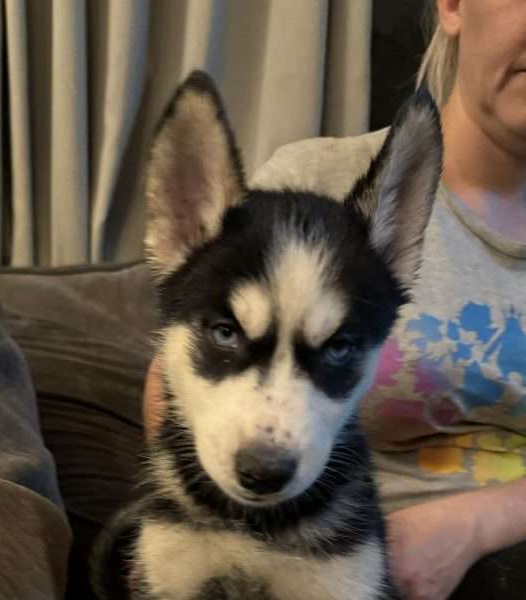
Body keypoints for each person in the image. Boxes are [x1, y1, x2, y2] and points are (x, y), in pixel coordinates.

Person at [141, 1, 526, 599]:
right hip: (325, 539)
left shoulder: (380, 238)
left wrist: (474, 524)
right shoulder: (314, 181)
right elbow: (175, 375)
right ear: (452, 5)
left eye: (340, 342)